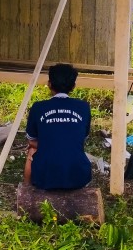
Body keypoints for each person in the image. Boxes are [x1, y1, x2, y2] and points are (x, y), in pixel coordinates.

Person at [24, 63, 92, 191]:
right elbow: (82, 138)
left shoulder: (38, 107)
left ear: (49, 84)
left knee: (31, 150)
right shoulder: (83, 107)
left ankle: (27, 191)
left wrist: (48, 144)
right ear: (73, 86)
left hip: (44, 176)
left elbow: (31, 140)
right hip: (79, 176)